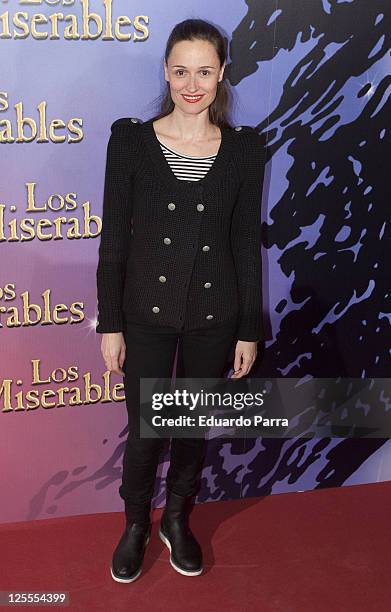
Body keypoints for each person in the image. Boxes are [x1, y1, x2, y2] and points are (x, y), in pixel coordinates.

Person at [95, 18, 266, 583]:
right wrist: (110, 323)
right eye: (180, 71)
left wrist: (248, 328)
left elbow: (245, 243)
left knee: (191, 429)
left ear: (222, 75)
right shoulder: (132, 141)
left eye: (204, 71)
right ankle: (136, 525)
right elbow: (114, 237)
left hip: (213, 317)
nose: (192, 84)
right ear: (166, 74)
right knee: (145, 430)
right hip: (144, 313)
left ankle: (176, 520)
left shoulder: (243, 149)